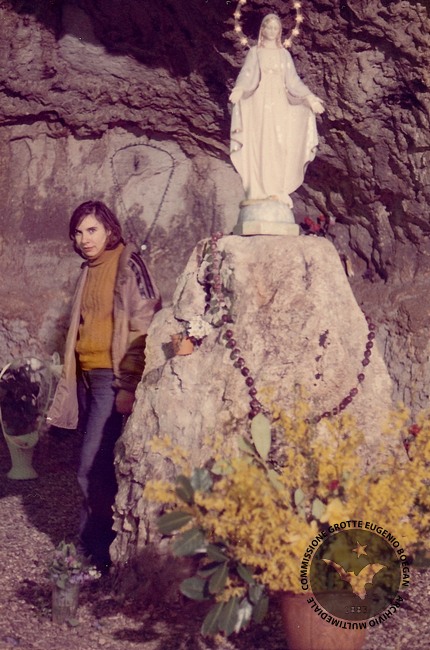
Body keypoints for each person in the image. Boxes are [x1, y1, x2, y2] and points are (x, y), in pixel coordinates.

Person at [47, 201, 160, 570]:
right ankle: (98, 545)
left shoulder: (128, 264)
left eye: (92, 230)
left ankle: (96, 551)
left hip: (110, 380)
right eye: (78, 233)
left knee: (91, 467)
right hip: (85, 378)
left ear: (110, 229)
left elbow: (144, 327)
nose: (84, 239)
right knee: (97, 465)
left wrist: (128, 384)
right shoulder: (87, 270)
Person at [229, 13, 324, 208]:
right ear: (262, 29)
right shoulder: (255, 52)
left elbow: (293, 81)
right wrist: (239, 89)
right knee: (262, 143)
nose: (272, 31)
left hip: (280, 103)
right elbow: (247, 74)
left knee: (280, 144)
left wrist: (309, 98)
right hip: (260, 103)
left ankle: (277, 190)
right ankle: (259, 190)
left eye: (275, 28)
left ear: (280, 31)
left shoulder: (284, 55)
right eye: (269, 27)